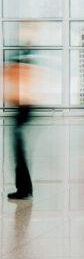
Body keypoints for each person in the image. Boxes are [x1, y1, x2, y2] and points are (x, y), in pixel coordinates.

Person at [5, 48, 35, 200]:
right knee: (20, 152)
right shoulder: (24, 70)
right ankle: (24, 189)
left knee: (20, 152)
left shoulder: (21, 72)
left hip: (23, 111)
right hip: (23, 111)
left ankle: (24, 190)